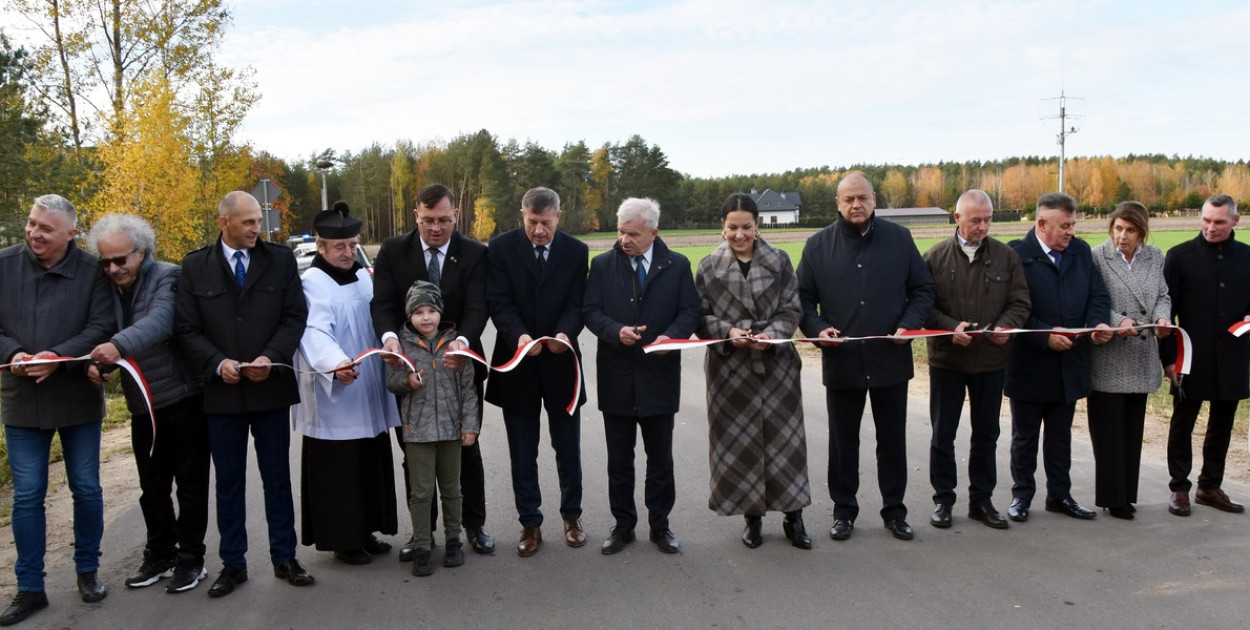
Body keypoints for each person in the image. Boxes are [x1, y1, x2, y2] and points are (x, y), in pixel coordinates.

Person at [175, 190, 312, 598]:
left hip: (270, 389)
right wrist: (219, 364)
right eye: (249, 221)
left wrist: (271, 357)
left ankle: (284, 557)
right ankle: (233, 564)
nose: (258, 228)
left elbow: (294, 316)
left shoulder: (281, 260)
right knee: (229, 482)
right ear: (224, 222)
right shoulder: (195, 266)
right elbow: (186, 329)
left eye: (259, 219)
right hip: (222, 394)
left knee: (276, 479)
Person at [798, 173, 935, 543]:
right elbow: (803, 301)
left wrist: (909, 325)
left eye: (862, 197)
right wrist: (819, 328)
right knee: (843, 442)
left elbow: (922, 290)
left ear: (874, 199)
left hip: (890, 358)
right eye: (848, 199)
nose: (856, 205)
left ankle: (894, 511)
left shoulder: (899, 239)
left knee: (892, 440)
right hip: (842, 360)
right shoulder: (816, 246)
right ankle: (844, 511)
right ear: (837, 204)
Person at [0, 194, 113, 626]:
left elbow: (102, 326)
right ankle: (30, 587)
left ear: (71, 234)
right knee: (27, 496)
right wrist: (16, 353)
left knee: (86, 487)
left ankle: (88, 571)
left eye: (46, 228)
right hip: (21, 401)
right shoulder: (5, 264)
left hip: (76, 399)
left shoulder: (92, 272)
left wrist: (59, 355)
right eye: (31, 223)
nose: (34, 233)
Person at [84, 214, 211, 594]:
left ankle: (191, 559)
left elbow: (160, 321)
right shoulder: (107, 287)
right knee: (151, 487)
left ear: (143, 252)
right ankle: (160, 554)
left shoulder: (169, 277)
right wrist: (97, 365)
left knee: (189, 487)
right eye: (105, 262)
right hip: (143, 406)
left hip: (183, 399)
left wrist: (116, 347)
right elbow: (101, 329)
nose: (113, 268)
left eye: (121, 260)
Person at [372, 183, 494, 558]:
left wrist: (465, 341)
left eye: (443, 220)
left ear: (455, 215)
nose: (436, 228)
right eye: (428, 221)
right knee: (416, 455)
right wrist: (391, 338)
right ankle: (422, 533)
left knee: (465, 451)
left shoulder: (473, 253)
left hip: (458, 366)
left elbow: (477, 307)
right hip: (412, 370)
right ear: (416, 217)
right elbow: (383, 303)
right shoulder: (393, 251)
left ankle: (472, 526)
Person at [583, 198, 699, 555]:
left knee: (660, 459)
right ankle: (623, 525)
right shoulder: (602, 265)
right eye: (620, 232)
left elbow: (690, 310)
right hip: (617, 374)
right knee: (619, 460)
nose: (624, 239)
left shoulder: (677, 265)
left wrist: (672, 337)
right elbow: (590, 311)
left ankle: (660, 525)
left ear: (653, 232)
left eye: (632, 233)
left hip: (659, 375)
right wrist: (615, 330)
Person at [699, 193, 813, 549]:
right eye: (732, 227)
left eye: (746, 226)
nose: (739, 234)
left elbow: (793, 308)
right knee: (741, 447)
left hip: (776, 368)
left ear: (757, 225)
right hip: (729, 371)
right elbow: (698, 315)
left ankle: (795, 518)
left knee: (786, 444)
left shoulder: (779, 260)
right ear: (723, 226)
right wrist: (729, 333)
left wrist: (773, 335)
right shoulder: (708, 266)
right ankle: (752, 518)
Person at [291, 202, 400, 564]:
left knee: (368, 459)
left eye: (352, 245)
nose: (347, 252)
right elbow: (313, 331)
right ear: (320, 248)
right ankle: (343, 539)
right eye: (339, 246)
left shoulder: (362, 276)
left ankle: (366, 529)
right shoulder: (312, 284)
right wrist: (335, 364)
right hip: (337, 390)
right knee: (340, 468)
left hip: (367, 383)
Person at [485, 186, 588, 557]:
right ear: (522, 216)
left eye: (546, 223)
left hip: (562, 363)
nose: (539, 230)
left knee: (568, 448)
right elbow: (499, 301)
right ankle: (530, 523)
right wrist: (521, 337)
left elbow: (578, 302)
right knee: (522, 451)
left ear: (558, 217)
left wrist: (565, 333)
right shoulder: (499, 248)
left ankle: (572, 517)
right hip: (519, 363)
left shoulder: (577, 251)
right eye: (532, 223)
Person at [922, 189, 1031, 530]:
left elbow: (1020, 302)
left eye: (988, 220)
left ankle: (981, 501)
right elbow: (923, 306)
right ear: (957, 219)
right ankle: (943, 500)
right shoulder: (934, 258)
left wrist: (1007, 326)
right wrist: (948, 327)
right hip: (947, 360)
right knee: (943, 434)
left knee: (986, 433)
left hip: (990, 361)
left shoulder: (1006, 257)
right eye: (976, 220)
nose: (983, 227)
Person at [1005, 192, 1113, 523]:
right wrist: (1044, 336)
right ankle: (1022, 495)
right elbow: (1011, 310)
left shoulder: (1080, 252)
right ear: (1041, 224)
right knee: (1025, 436)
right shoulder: (1017, 255)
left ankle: (1060, 495)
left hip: (1071, 364)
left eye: (1072, 225)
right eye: (1064, 226)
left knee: (1060, 435)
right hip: (1030, 364)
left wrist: (1097, 323)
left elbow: (1097, 295)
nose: (1070, 232)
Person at [1160, 194, 1250, 516]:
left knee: (1222, 424)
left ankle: (1210, 486)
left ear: (1235, 221)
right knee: (1182, 424)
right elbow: (1165, 314)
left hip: (1234, 357)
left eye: (1219, 222)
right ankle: (1179, 488)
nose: (1211, 228)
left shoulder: (1247, 257)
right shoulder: (1179, 257)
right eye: (1206, 220)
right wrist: (1169, 359)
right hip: (1189, 357)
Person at [387, 281, 481, 576]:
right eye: (418, 312)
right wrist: (407, 382)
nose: (426, 318)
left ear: (440, 312)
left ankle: (453, 540)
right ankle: (423, 545)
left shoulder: (455, 345)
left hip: (451, 431)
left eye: (431, 311)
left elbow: (469, 389)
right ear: (409, 316)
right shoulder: (403, 346)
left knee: (452, 489)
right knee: (421, 492)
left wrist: (470, 427)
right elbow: (391, 381)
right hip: (417, 433)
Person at [1087, 202, 1172, 520]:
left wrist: (1163, 319)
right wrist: (1116, 320)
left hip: (1142, 354)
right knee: (1108, 430)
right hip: (1109, 353)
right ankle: (1112, 497)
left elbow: (1163, 295)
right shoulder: (1097, 257)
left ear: (1142, 232)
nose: (1122, 236)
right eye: (1118, 228)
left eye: (1130, 230)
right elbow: (1091, 299)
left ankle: (1127, 492)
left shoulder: (1155, 257)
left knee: (1132, 429)